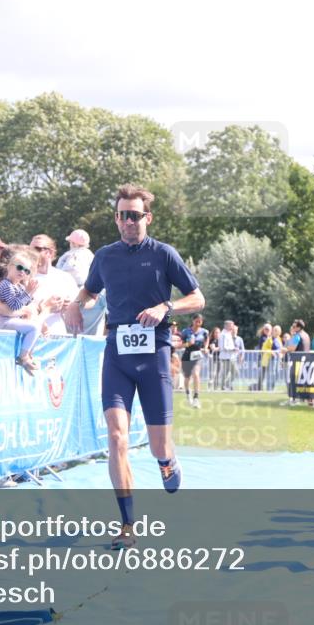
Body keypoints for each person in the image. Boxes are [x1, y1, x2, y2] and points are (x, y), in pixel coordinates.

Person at [65, 184, 204, 551]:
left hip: (154, 354)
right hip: (117, 355)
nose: (129, 221)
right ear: (116, 218)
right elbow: (90, 292)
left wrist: (166, 308)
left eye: (136, 215)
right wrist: (75, 304)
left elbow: (197, 297)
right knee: (116, 438)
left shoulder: (163, 254)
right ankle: (127, 525)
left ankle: (167, 460)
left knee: (158, 445)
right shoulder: (105, 257)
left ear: (148, 218)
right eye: (123, 215)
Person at [0, 249, 44, 373]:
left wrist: (30, 293)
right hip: (5, 322)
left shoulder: (20, 286)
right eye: (20, 268)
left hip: (14, 320)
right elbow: (14, 305)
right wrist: (27, 292)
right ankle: (23, 356)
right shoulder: (6, 285)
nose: (22, 272)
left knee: (38, 327)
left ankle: (27, 355)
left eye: (26, 271)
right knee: (34, 328)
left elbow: (26, 304)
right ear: (10, 267)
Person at [30, 234, 80, 335]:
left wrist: (68, 306)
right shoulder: (24, 276)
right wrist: (45, 307)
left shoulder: (65, 277)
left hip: (57, 335)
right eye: (29, 248)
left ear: (50, 252)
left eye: (37, 249)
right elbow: (16, 309)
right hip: (30, 336)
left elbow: (77, 308)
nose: (31, 252)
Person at [180, 314, 208, 406]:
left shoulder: (204, 332)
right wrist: (188, 343)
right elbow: (180, 345)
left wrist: (206, 347)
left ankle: (196, 398)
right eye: (196, 321)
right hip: (187, 355)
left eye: (200, 321)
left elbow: (206, 340)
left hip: (197, 355)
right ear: (193, 321)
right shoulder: (185, 331)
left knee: (196, 374)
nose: (198, 323)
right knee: (187, 377)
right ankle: (188, 394)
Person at [218, 320, 239, 391]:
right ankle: (224, 386)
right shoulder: (223, 334)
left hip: (230, 356)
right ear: (226, 326)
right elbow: (223, 347)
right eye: (231, 325)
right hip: (226, 357)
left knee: (231, 372)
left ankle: (225, 385)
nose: (232, 327)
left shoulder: (228, 333)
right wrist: (233, 349)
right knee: (231, 372)